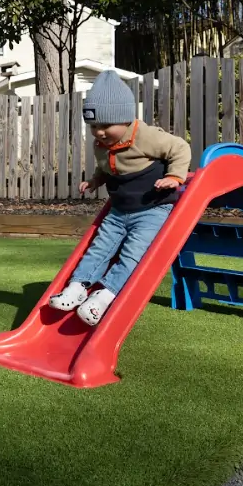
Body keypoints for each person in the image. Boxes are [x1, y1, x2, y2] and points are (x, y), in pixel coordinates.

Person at [48, 69, 191, 326]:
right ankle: (78, 287)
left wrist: (175, 177)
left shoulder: (146, 136)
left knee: (133, 254)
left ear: (124, 119)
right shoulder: (101, 144)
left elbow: (180, 148)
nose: (99, 132)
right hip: (119, 211)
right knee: (98, 249)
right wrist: (95, 180)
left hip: (152, 209)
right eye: (93, 126)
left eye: (105, 126)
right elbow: (107, 166)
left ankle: (104, 297)